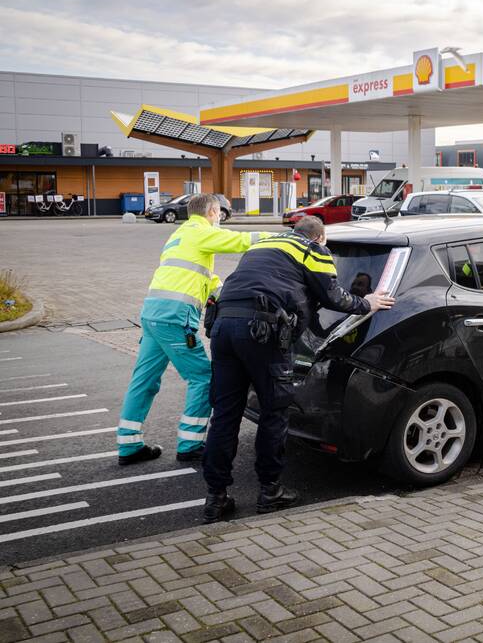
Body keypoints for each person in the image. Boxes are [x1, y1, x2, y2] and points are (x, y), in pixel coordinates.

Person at [202, 215, 395, 523]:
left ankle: (215, 497)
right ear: (319, 237)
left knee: (224, 415)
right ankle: (270, 492)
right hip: (262, 333)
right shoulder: (311, 248)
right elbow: (332, 295)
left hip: (224, 326)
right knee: (274, 412)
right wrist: (367, 303)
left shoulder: (263, 245)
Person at [116, 194, 271, 465]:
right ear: (212, 212)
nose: (220, 218)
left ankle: (129, 445)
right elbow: (241, 241)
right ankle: (190, 444)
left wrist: (222, 292)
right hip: (175, 317)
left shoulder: (180, 235)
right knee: (203, 377)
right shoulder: (201, 231)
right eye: (219, 213)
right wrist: (283, 237)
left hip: (153, 313)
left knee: (144, 379)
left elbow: (201, 276)